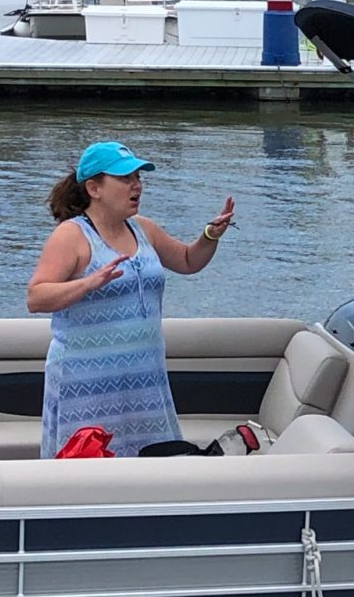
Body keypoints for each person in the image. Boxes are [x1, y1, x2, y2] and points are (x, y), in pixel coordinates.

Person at [28, 140, 235, 458]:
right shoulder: (71, 235)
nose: (136, 185)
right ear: (94, 187)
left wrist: (209, 236)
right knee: (86, 470)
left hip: (144, 382)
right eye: (125, 178)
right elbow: (36, 297)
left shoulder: (143, 229)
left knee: (152, 467)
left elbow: (188, 261)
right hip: (87, 385)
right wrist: (87, 284)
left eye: (138, 177)